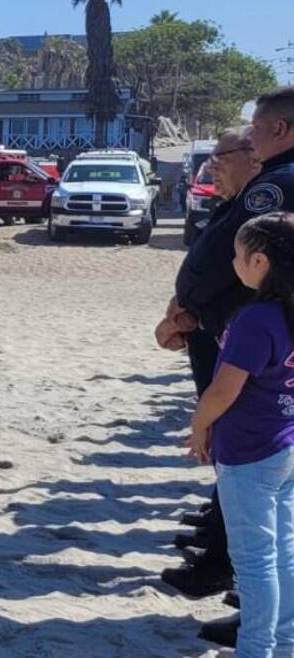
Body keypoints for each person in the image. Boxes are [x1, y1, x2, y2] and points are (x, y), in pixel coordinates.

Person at [160, 91, 294, 617]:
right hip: (232, 331)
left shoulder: (279, 183)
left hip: (246, 342)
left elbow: (232, 256)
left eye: (256, 129)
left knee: (256, 498)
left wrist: (191, 307)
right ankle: (249, 592)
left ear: (280, 129)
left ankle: (252, 611)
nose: (252, 141)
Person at [186, 212, 294, 658]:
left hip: (249, 452)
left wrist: (199, 425)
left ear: (260, 261)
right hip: (284, 445)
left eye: (237, 255)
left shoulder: (257, 319)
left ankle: (256, 649)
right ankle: (284, 644)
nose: (233, 263)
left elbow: (223, 390)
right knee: (283, 552)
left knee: (254, 562)